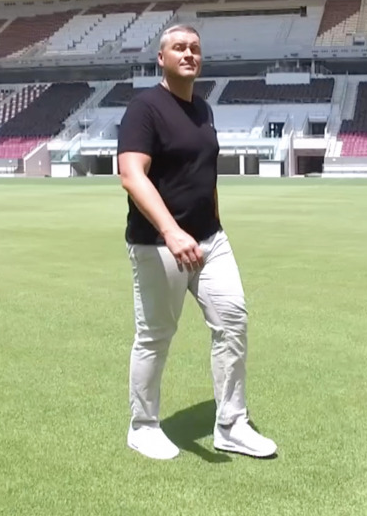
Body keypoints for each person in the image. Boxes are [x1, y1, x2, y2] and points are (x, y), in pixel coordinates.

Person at [116, 24, 277, 461]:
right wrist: (171, 230)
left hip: (210, 242)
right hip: (158, 244)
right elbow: (131, 174)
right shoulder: (144, 108)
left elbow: (206, 176)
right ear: (161, 59)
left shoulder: (203, 110)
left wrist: (216, 226)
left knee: (233, 323)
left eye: (195, 49)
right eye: (179, 48)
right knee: (155, 335)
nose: (188, 54)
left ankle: (230, 424)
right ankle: (143, 425)